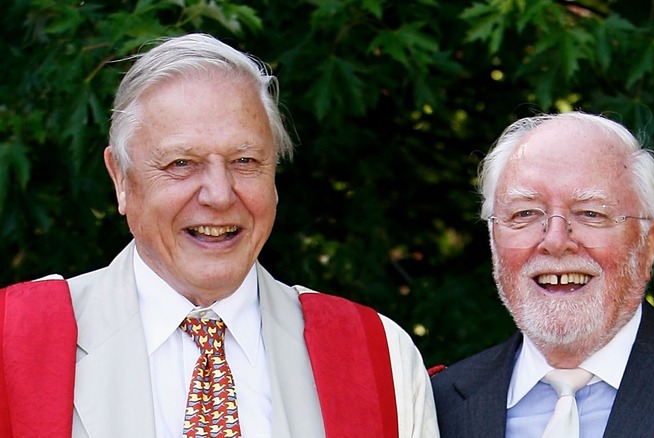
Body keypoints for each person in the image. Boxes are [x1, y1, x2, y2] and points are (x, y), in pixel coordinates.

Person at [0, 33, 438, 438]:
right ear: (121, 179)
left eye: (245, 161)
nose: (219, 194)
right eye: (181, 164)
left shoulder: (377, 354)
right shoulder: (14, 341)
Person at [430, 111, 654, 437]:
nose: (554, 241)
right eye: (524, 213)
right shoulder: (432, 407)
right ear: (493, 239)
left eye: (591, 214)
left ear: (649, 245)